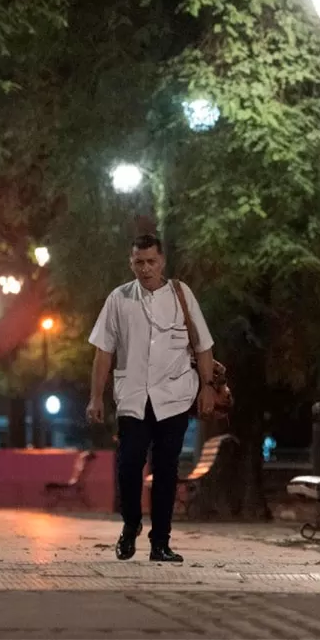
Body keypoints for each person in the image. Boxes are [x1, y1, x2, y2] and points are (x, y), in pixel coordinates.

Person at [86, 233, 216, 563]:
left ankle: (161, 542)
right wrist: (95, 397)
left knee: (166, 469)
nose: (145, 269)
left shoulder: (181, 295)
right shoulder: (119, 299)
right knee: (128, 464)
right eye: (139, 262)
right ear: (130, 263)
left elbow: (203, 346)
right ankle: (131, 526)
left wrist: (207, 387)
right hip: (133, 397)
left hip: (174, 396)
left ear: (162, 262)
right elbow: (103, 351)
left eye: (151, 262)